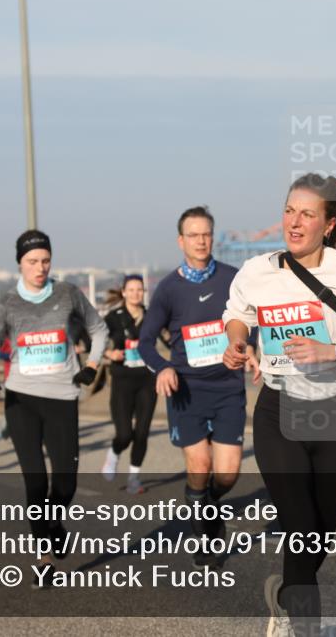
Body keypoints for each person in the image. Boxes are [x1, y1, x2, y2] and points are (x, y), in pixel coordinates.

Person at [221, 173, 336, 637]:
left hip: (333, 411)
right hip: (279, 408)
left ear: (329, 223)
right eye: (289, 211)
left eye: (307, 215)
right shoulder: (258, 270)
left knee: (319, 533)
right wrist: (238, 342)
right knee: (299, 525)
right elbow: (237, 313)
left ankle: (285, 595)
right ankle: (306, 628)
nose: (294, 223)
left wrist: (332, 352)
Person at [0, 229, 107, 587]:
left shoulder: (68, 294)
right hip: (21, 399)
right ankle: (45, 555)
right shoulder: (5, 305)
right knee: (35, 482)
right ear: (19, 262)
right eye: (33, 261)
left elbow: (99, 329)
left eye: (45, 260)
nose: (40, 267)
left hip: (62, 397)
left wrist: (92, 365)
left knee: (65, 482)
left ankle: (54, 525)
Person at [138, 206, 260, 570]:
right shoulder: (168, 289)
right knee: (200, 462)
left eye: (206, 233)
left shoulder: (232, 279)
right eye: (194, 235)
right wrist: (162, 368)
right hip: (186, 391)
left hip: (226, 388)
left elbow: (250, 320)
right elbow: (145, 341)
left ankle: (206, 499)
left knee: (227, 473)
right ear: (181, 241)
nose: (201, 240)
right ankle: (207, 533)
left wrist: (249, 345)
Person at [101, 274, 158, 494]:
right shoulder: (114, 317)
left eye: (139, 290)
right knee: (125, 434)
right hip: (122, 380)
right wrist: (108, 352)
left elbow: (168, 337)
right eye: (131, 290)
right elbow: (91, 339)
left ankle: (134, 478)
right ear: (123, 292)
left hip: (147, 379)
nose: (136, 293)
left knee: (142, 432)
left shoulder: (152, 316)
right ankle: (114, 454)